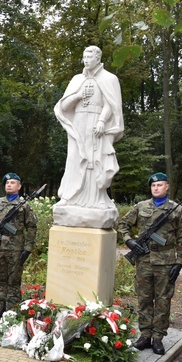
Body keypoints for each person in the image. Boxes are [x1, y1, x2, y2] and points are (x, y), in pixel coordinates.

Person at [117, 172, 182, 355]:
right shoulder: (141, 207)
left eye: (160, 185)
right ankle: (145, 335)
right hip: (143, 260)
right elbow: (123, 225)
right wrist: (129, 241)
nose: (156, 188)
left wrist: (179, 262)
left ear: (167, 187)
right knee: (143, 298)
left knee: (163, 300)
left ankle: (158, 337)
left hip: (165, 262)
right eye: (153, 186)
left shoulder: (177, 210)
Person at [53, 46, 124, 227]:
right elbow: (64, 106)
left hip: (97, 124)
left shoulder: (109, 78)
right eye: (84, 56)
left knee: (95, 160)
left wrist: (101, 120)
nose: (85, 60)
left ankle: (97, 198)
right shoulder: (77, 79)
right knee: (75, 160)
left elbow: (111, 104)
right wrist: (77, 95)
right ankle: (71, 197)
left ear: (98, 58)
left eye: (89, 57)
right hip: (78, 124)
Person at [0, 173, 38, 322]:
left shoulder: (24, 205)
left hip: (16, 248)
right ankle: (0, 309)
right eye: (7, 183)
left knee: (14, 280)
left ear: (19, 186)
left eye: (13, 182)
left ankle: (12, 311)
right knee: (0, 279)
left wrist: (28, 248)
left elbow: (31, 227)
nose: (9, 185)